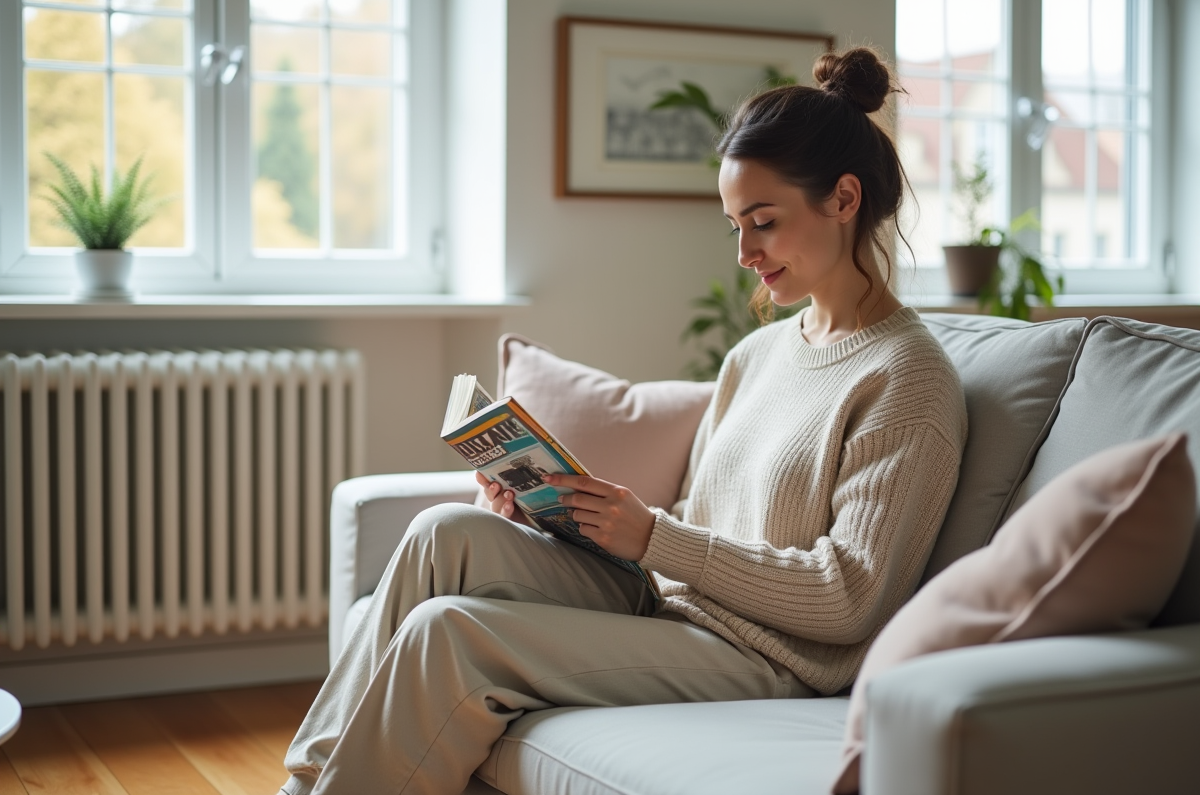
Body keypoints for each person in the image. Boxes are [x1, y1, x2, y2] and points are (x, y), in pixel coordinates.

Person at [279, 46, 968, 795]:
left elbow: (849, 598)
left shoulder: (907, 378)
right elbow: (700, 521)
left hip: (769, 657)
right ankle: (306, 783)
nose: (745, 252)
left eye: (764, 222)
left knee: (447, 633)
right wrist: (556, 516)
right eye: (735, 226)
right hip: (671, 605)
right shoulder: (757, 355)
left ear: (844, 199)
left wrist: (654, 535)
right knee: (441, 532)